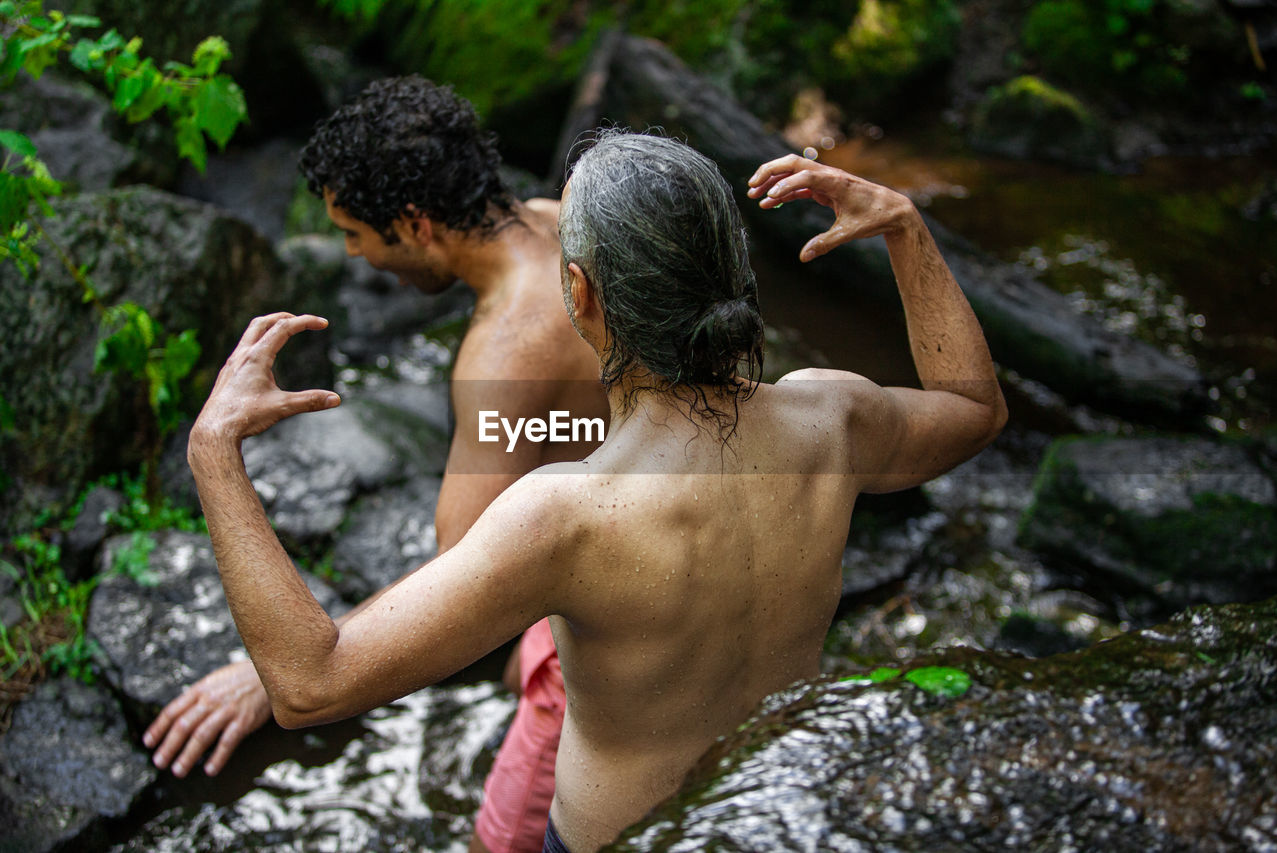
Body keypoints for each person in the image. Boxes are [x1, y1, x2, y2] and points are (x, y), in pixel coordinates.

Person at [181, 131, 1007, 853]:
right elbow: (974, 408)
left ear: (579, 294)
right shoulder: (833, 416)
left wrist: (216, 452)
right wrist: (904, 227)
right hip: (769, 814)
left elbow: (310, 682)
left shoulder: (566, 514)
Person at [142, 77, 606, 853]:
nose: (353, 254)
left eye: (356, 233)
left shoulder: (508, 346)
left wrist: (270, 677)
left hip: (604, 635)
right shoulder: (570, 221)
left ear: (417, 223)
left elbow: (459, 578)